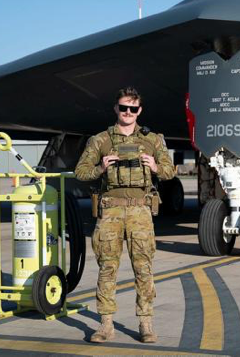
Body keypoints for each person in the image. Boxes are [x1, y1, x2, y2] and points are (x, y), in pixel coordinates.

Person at [74, 87, 175, 343]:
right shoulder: (101, 140)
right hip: (111, 210)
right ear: (116, 109)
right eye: (123, 108)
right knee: (107, 268)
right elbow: (80, 172)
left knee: (143, 267)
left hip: (141, 210)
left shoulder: (153, 140)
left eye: (132, 109)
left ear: (139, 110)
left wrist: (155, 166)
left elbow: (169, 171)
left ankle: (146, 323)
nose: (127, 113)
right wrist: (101, 166)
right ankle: (105, 325)